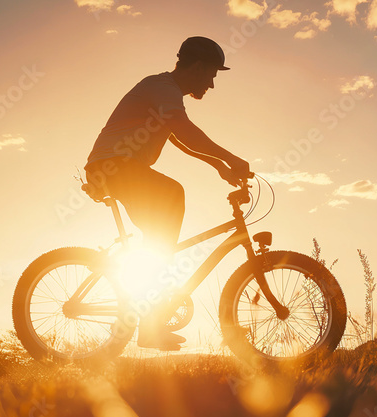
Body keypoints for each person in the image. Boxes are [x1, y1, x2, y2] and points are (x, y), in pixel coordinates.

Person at [83, 36, 252, 350]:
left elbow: (178, 137)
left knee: (159, 236)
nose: (212, 84)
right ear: (198, 67)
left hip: (117, 168)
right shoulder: (162, 87)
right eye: (211, 74)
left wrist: (218, 165)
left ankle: (147, 303)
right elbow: (185, 131)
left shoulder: (166, 94)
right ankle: (151, 319)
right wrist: (231, 158)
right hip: (114, 166)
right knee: (172, 196)